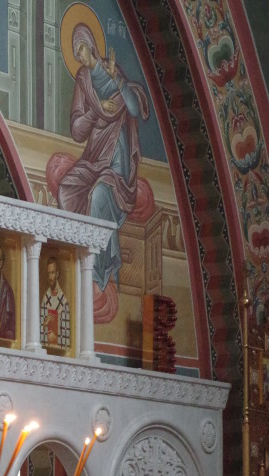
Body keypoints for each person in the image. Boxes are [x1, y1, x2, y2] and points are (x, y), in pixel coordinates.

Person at [57, 24, 149, 293]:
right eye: (76, 52)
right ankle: (74, 262)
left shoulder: (113, 72)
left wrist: (117, 80)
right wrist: (97, 110)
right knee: (66, 188)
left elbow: (134, 108)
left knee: (98, 196)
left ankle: (96, 276)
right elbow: (77, 130)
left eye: (81, 49)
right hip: (93, 159)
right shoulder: (83, 79)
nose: (80, 56)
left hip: (116, 167)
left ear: (91, 45)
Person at [40, 256, 70, 349]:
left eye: (52, 273)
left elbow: (67, 334)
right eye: (48, 273)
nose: (50, 277)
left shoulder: (63, 301)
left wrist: (56, 338)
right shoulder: (45, 299)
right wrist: (44, 325)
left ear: (57, 274)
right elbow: (39, 330)